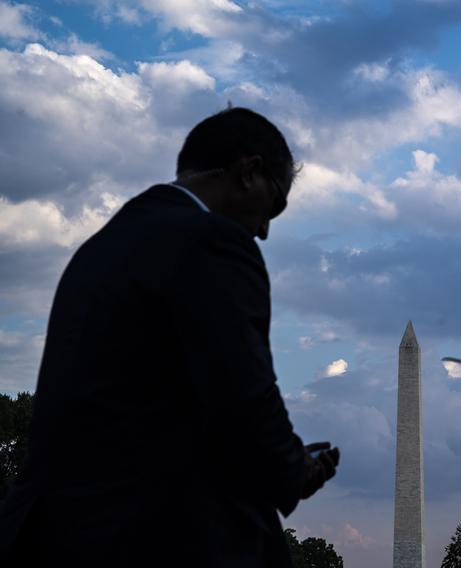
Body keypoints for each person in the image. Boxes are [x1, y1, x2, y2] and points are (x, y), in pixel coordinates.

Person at [0, 108, 340, 567]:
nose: (263, 230)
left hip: (56, 533)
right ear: (249, 172)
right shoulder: (211, 242)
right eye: (273, 206)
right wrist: (292, 468)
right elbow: (242, 392)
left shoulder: (101, 246)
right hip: (158, 535)